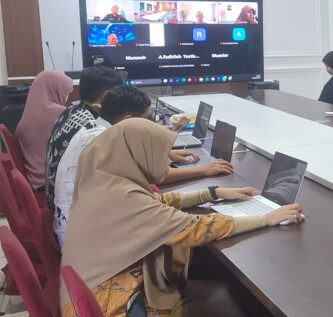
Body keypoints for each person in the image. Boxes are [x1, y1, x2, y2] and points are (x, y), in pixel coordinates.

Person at [59, 119, 303, 317]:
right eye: (161, 155)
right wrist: (268, 218)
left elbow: (157, 202)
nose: (167, 162)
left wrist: (213, 193)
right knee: (229, 298)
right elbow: (195, 229)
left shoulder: (105, 182)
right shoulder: (122, 196)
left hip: (87, 297)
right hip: (111, 313)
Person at [52, 86, 232, 247]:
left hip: (78, 230)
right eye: (147, 120)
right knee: (178, 238)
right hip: (85, 243)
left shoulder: (95, 129)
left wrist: (167, 154)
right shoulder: (104, 141)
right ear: (128, 120)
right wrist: (204, 170)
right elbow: (159, 176)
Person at [45, 66, 123, 208]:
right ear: (106, 96)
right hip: (72, 208)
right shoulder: (94, 127)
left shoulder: (70, 110)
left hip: (55, 196)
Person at [16, 70, 74, 190]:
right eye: (66, 92)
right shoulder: (60, 113)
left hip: (35, 179)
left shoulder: (29, 112)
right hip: (52, 182)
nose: (66, 97)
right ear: (55, 89)